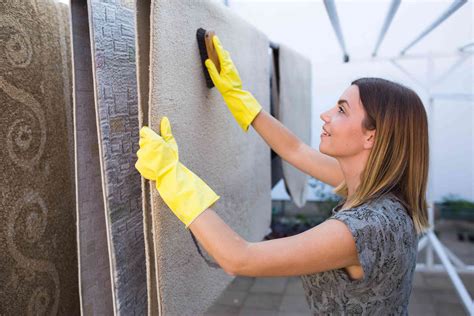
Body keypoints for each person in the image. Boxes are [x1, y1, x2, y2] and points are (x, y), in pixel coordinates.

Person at [135, 35, 430, 315]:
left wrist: (170, 176)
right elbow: (296, 150)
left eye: (342, 110)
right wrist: (239, 97)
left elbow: (239, 258)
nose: (325, 114)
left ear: (372, 137)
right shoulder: (381, 192)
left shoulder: (361, 230)